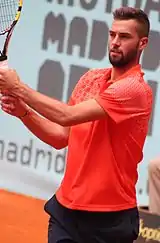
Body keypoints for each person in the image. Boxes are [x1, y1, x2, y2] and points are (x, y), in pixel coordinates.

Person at [0, 6, 152, 243]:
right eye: (112, 35)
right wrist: (24, 113)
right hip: (66, 214)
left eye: (124, 37)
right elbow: (61, 137)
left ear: (142, 43)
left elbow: (66, 115)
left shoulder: (134, 90)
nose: (114, 42)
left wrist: (18, 88)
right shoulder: (90, 78)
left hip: (110, 221)